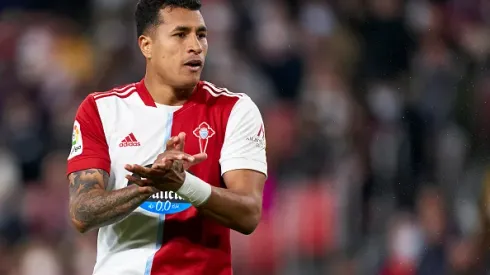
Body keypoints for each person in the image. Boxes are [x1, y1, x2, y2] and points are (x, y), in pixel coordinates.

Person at [65, 0, 267, 274]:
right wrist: (149, 184)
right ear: (146, 45)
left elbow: (249, 213)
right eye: (181, 34)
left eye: (201, 34)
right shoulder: (101, 110)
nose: (195, 45)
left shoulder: (235, 110)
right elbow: (82, 213)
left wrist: (183, 184)